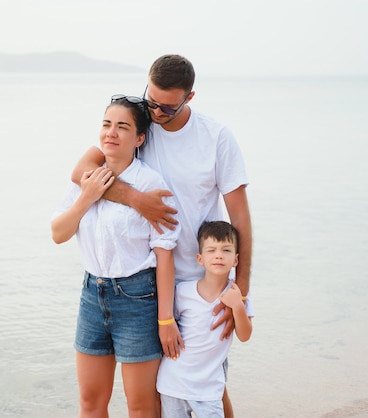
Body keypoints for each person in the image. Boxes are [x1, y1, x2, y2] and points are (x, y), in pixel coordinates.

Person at [71, 54, 253, 417]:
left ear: (190, 97)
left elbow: (240, 218)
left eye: (166, 107)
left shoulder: (215, 137)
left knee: (207, 383)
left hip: (200, 279)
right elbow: (82, 171)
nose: (155, 111)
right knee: (161, 388)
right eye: (150, 100)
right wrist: (137, 199)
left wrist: (241, 288)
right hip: (143, 282)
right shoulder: (141, 126)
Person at [51, 94, 182, 418]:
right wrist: (88, 196)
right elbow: (58, 233)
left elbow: (165, 256)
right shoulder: (88, 177)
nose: (111, 132)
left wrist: (165, 319)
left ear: (139, 138)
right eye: (107, 124)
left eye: (122, 127)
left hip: (138, 299)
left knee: (141, 407)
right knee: (90, 404)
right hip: (92, 296)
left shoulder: (150, 184)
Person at [157, 221, 252, 418]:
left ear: (236, 260)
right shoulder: (183, 291)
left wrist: (238, 306)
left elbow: (244, 335)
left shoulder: (236, 294)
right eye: (211, 250)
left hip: (209, 389)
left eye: (226, 250)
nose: (218, 255)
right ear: (200, 258)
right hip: (173, 383)